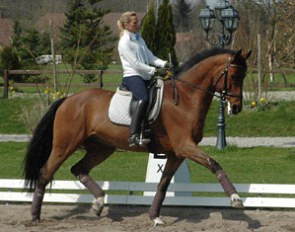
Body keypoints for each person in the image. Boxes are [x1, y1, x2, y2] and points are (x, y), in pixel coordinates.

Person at [117, 11, 168, 147]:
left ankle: (149, 129)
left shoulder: (139, 39)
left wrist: (164, 64)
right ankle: (133, 135)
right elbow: (135, 64)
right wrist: (153, 70)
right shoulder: (124, 43)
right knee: (143, 98)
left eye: (138, 21)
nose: (138, 24)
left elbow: (150, 57)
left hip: (145, 75)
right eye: (135, 23)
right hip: (132, 75)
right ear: (126, 25)